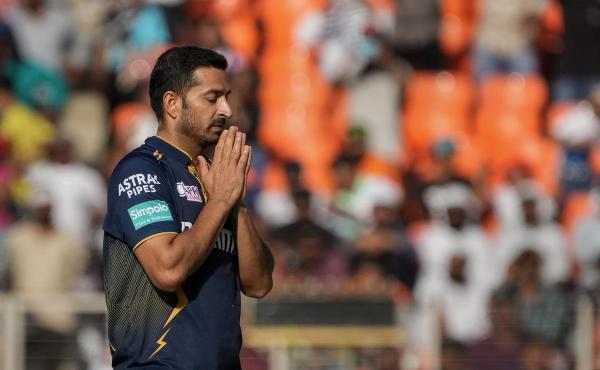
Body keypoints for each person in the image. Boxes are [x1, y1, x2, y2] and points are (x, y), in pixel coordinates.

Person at [102, 46, 274, 369]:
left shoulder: (216, 178)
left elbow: (260, 283)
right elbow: (168, 269)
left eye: (227, 97)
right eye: (212, 98)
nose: (226, 109)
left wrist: (236, 206)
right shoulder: (141, 171)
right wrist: (221, 201)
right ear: (172, 104)